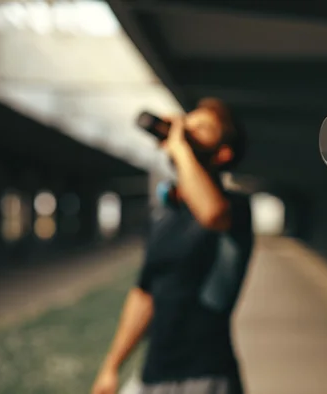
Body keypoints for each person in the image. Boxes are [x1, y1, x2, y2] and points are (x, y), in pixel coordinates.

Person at [92, 98, 254, 394]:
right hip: (154, 375)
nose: (187, 128)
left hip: (206, 377)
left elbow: (211, 213)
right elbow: (145, 294)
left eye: (202, 128)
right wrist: (111, 366)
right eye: (187, 121)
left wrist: (180, 147)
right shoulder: (164, 215)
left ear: (223, 153)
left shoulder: (234, 208)